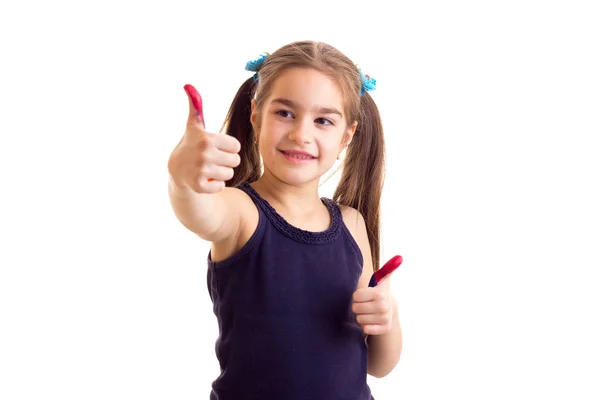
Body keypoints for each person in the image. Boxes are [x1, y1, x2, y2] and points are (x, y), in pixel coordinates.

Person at [167, 40, 402, 399]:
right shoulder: (241, 212)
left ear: (347, 136)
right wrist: (183, 179)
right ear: (256, 114)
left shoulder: (352, 224)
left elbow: (378, 365)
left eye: (323, 120)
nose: (301, 134)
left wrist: (387, 319)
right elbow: (199, 211)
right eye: (285, 113)